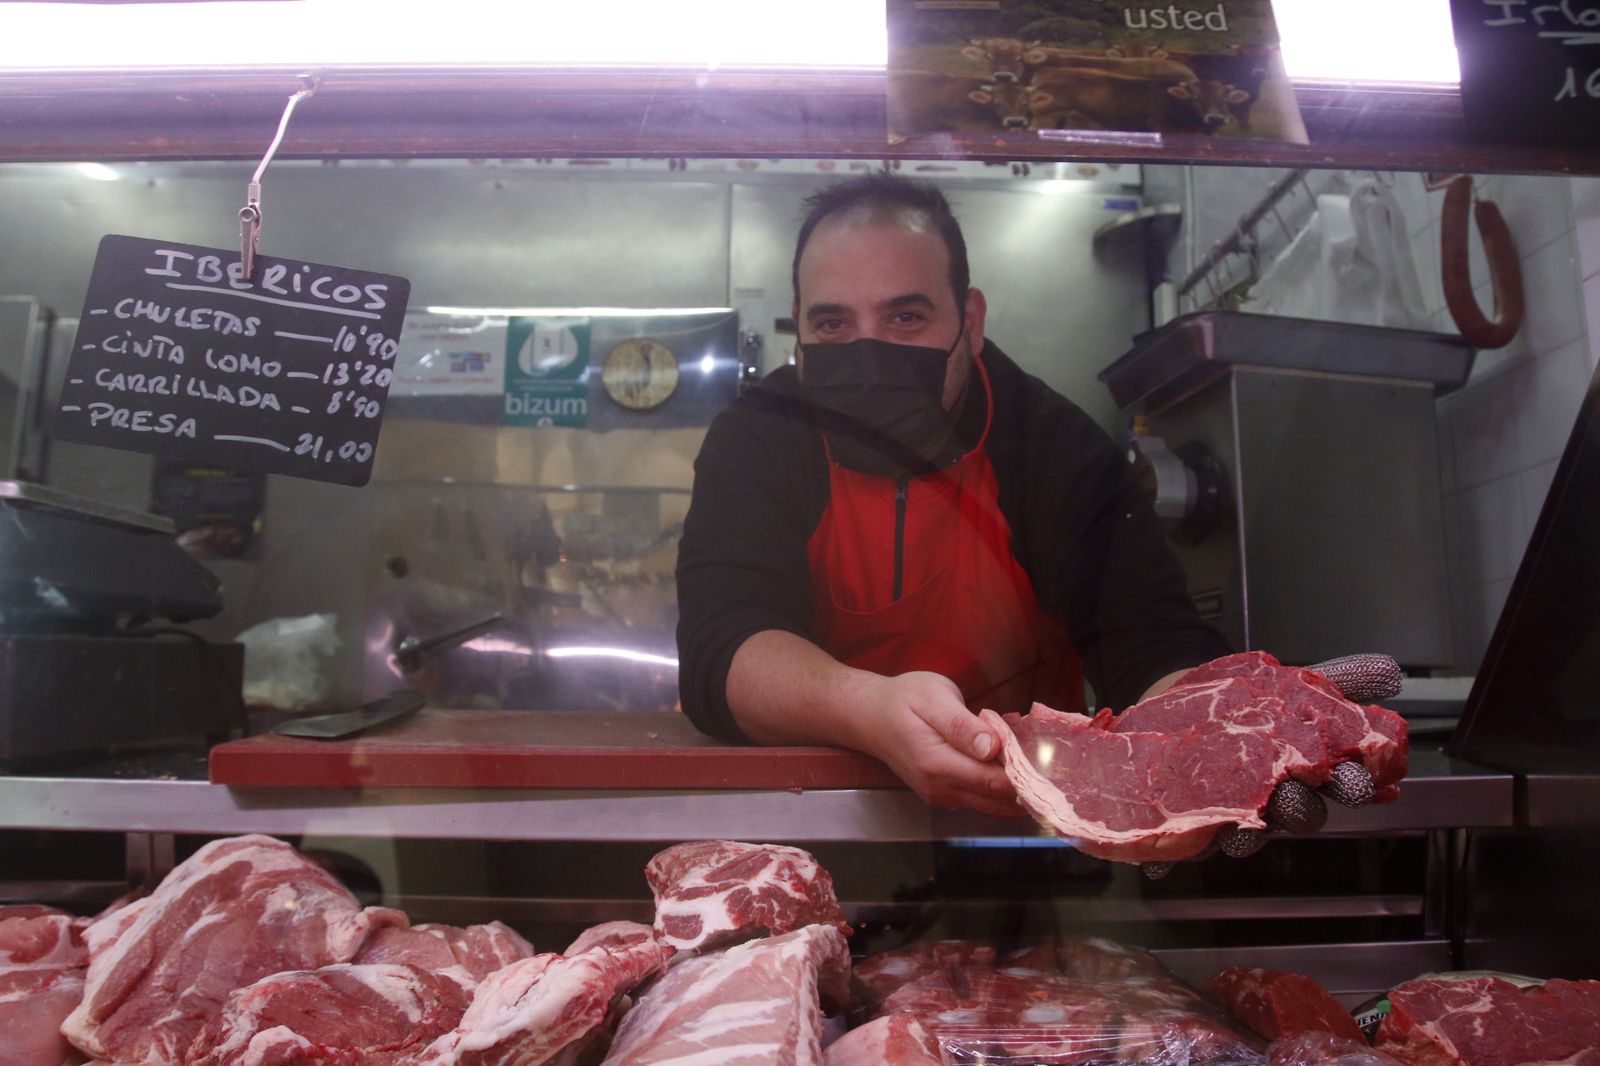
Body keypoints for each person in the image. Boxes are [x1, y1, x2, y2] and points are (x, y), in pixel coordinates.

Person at [675, 173, 1229, 816]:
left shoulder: (1052, 447)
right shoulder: (760, 436)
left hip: (1022, 818)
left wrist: (1223, 726)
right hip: (807, 818)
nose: (869, 354)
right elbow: (723, 647)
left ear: (970, 321)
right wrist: (868, 711)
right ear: (797, 325)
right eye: (833, 322)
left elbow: (1150, 644)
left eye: (906, 317)